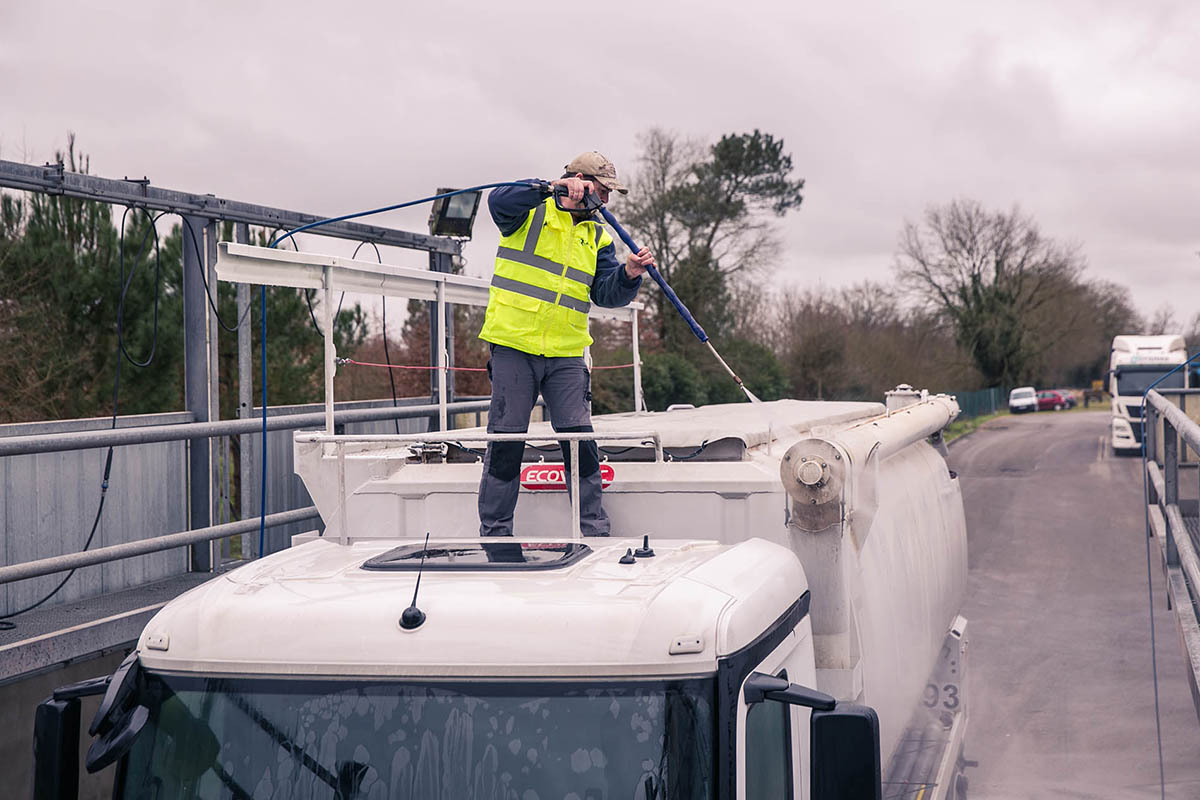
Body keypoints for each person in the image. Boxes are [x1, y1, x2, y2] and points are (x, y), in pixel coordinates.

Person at [477, 151, 655, 537]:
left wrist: (629, 273)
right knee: (506, 442)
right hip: (513, 346)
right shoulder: (529, 210)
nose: (606, 201)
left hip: (567, 354)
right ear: (579, 181)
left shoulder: (597, 235)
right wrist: (551, 187)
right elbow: (498, 200)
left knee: (579, 442)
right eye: (602, 191)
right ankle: (494, 532)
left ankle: (593, 529)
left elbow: (606, 295)